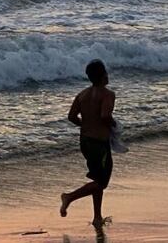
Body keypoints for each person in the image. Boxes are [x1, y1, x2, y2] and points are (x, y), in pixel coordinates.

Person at [60, 59, 116, 232]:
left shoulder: (82, 94)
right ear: (103, 75)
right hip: (100, 143)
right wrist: (115, 126)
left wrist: (85, 124)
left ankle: (97, 217)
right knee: (101, 182)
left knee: (97, 179)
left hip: (85, 141)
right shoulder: (107, 94)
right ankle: (69, 197)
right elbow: (105, 116)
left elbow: (71, 116)